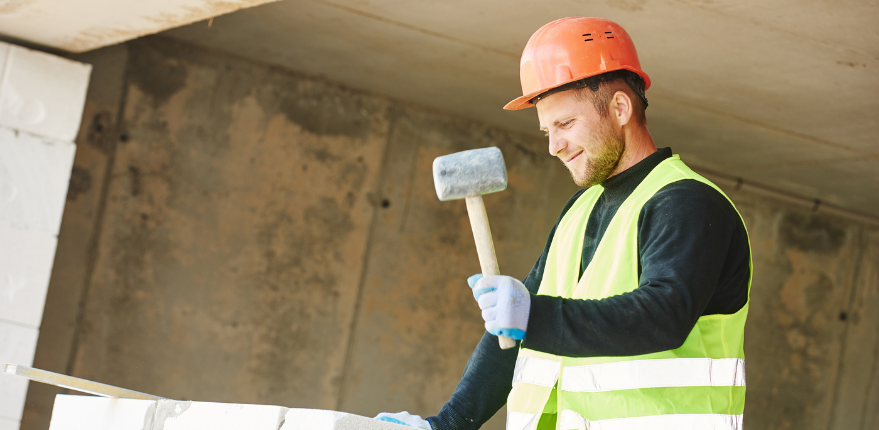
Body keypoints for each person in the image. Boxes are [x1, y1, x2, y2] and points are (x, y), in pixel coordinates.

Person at [377, 16, 751, 430]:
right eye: (546, 132)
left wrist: (531, 318)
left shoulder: (687, 203)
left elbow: (662, 317)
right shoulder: (580, 209)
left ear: (621, 107)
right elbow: (513, 334)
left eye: (565, 124)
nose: (554, 146)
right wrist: (445, 424)